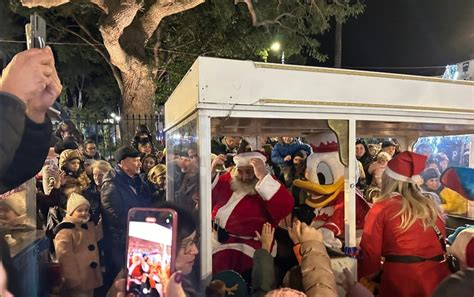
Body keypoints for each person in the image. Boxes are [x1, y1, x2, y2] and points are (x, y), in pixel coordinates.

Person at [359, 151, 451, 297]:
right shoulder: (431, 205)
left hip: (402, 281)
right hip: (439, 278)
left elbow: (370, 255)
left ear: (388, 180)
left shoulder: (382, 208)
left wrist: (358, 277)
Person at [211, 151, 294, 279]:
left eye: (249, 172)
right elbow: (207, 198)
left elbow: (285, 207)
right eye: (240, 171)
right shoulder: (229, 179)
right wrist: (211, 172)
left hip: (248, 244)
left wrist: (262, 177)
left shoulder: (269, 184)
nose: (244, 177)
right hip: (215, 238)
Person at [101, 146, 152, 290]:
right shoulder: (111, 185)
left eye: (139, 160)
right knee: (120, 281)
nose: (139, 163)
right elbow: (115, 216)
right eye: (135, 160)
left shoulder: (138, 182)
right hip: (120, 243)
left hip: (136, 239)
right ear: (122, 163)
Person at [53, 193, 103, 297]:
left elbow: (97, 236)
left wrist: (102, 223)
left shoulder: (88, 226)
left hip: (89, 278)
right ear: (71, 212)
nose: (84, 213)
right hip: (78, 281)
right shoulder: (65, 231)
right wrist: (73, 280)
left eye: (86, 210)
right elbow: (65, 258)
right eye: (79, 210)